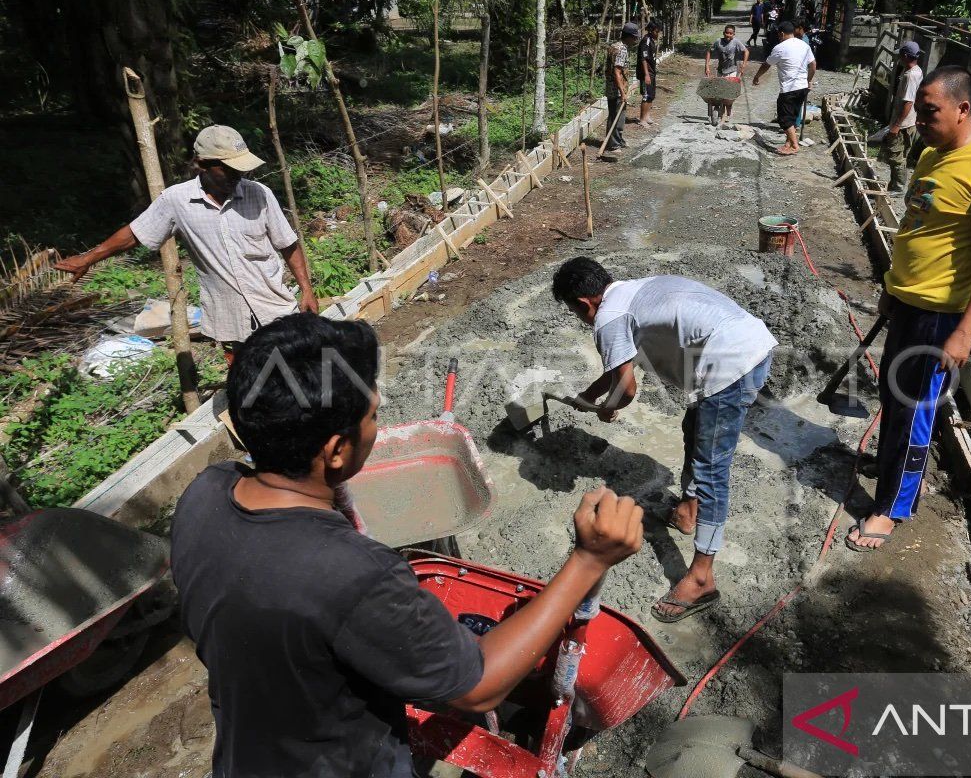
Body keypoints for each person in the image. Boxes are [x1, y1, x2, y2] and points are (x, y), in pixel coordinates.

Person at [171, 312, 644, 776]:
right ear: (336, 450)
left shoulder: (203, 495)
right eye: (373, 415)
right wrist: (587, 560)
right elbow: (477, 687)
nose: (378, 427)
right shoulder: (354, 575)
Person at [847, 67, 971, 552]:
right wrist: (892, 286)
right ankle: (890, 466)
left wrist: (965, 331)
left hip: (941, 315)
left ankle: (890, 507)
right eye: (919, 113)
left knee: (911, 409)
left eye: (930, 113)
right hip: (908, 302)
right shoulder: (931, 155)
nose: (920, 121)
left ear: (963, 109)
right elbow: (917, 228)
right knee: (892, 395)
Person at [551, 257, 777, 624]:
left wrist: (608, 408)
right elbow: (618, 369)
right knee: (695, 426)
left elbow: (624, 390)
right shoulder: (635, 291)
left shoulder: (608, 319)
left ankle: (702, 577)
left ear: (583, 304)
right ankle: (688, 512)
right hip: (752, 343)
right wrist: (587, 397)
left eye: (577, 314)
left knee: (711, 469)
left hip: (730, 363)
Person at [55, 125, 319, 362]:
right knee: (248, 373)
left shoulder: (259, 194)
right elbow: (135, 233)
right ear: (200, 164)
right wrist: (89, 258)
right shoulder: (176, 201)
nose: (236, 175)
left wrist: (306, 290)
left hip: (272, 303)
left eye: (240, 169)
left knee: (298, 364)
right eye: (226, 169)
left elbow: (288, 244)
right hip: (228, 311)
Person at [752, 20, 817, 155]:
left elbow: (767, 64)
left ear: (781, 34)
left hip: (789, 89)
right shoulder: (804, 45)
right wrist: (808, 80)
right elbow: (813, 65)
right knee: (792, 117)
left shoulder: (780, 47)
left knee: (784, 119)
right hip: (802, 88)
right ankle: (788, 143)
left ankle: (794, 145)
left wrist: (757, 76)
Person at [883, 40, 924, 192]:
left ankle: (898, 188)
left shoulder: (910, 76)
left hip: (904, 124)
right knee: (901, 156)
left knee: (896, 156)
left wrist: (896, 125)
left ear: (906, 56)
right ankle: (895, 184)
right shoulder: (916, 71)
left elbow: (908, 102)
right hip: (909, 122)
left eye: (900, 55)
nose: (898, 58)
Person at [604, 22, 640, 157]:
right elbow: (617, 71)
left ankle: (617, 139)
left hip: (611, 86)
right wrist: (622, 92)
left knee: (616, 113)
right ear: (629, 36)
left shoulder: (614, 46)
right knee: (617, 115)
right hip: (616, 88)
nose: (635, 40)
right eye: (634, 37)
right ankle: (613, 144)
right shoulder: (622, 50)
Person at [704, 24, 750, 126]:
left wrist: (744, 64)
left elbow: (746, 52)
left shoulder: (736, 42)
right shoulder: (718, 42)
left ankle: (728, 112)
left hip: (732, 71)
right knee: (720, 93)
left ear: (733, 34)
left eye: (730, 33)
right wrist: (707, 66)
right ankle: (721, 113)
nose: (728, 35)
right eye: (726, 33)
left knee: (729, 94)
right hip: (721, 71)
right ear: (723, 33)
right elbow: (709, 51)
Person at [635, 20, 662, 126]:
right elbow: (643, 59)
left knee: (651, 95)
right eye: (656, 31)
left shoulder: (651, 40)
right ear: (651, 31)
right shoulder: (645, 41)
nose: (657, 34)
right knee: (646, 95)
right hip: (646, 73)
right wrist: (646, 74)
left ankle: (647, 116)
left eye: (658, 32)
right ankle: (642, 119)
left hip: (652, 72)